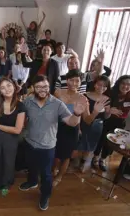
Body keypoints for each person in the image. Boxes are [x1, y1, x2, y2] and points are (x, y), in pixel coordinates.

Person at [19, 75, 87, 211]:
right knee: (31, 166)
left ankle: (45, 195)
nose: (42, 90)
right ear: (33, 88)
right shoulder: (28, 101)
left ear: (49, 86)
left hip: (47, 146)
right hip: (29, 142)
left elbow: (71, 122)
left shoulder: (57, 104)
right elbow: (22, 118)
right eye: (38, 87)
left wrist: (77, 114)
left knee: (46, 174)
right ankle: (32, 182)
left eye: (45, 86)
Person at [51, 70, 105, 186]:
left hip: (72, 130)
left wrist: (95, 112)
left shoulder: (82, 98)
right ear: (67, 80)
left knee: (66, 157)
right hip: (57, 127)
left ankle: (59, 177)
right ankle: (52, 171)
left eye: (77, 80)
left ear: (81, 82)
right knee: (54, 153)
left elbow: (87, 120)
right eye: (71, 80)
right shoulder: (58, 92)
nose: (74, 83)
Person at [92, 75, 130, 171]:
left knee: (113, 142)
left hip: (119, 123)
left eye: (129, 84)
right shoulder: (111, 92)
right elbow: (99, 103)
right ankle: (95, 157)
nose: (125, 86)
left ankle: (102, 159)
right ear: (119, 83)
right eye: (123, 83)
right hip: (106, 119)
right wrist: (109, 109)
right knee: (101, 139)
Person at [0, 77, 26, 196]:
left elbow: (17, 130)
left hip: (11, 135)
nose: (7, 89)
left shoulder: (20, 106)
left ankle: (6, 183)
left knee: (8, 160)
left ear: (14, 86)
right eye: (2, 87)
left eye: (8, 85)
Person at [77, 75, 111, 172]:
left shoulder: (107, 99)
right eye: (99, 85)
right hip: (84, 122)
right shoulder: (85, 95)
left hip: (97, 125)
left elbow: (106, 117)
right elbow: (81, 115)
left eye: (104, 86)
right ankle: (73, 158)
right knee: (79, 141)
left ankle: (82, 162)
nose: (101, 88)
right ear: (95, 84)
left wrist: (108, 112)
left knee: (90, 145)